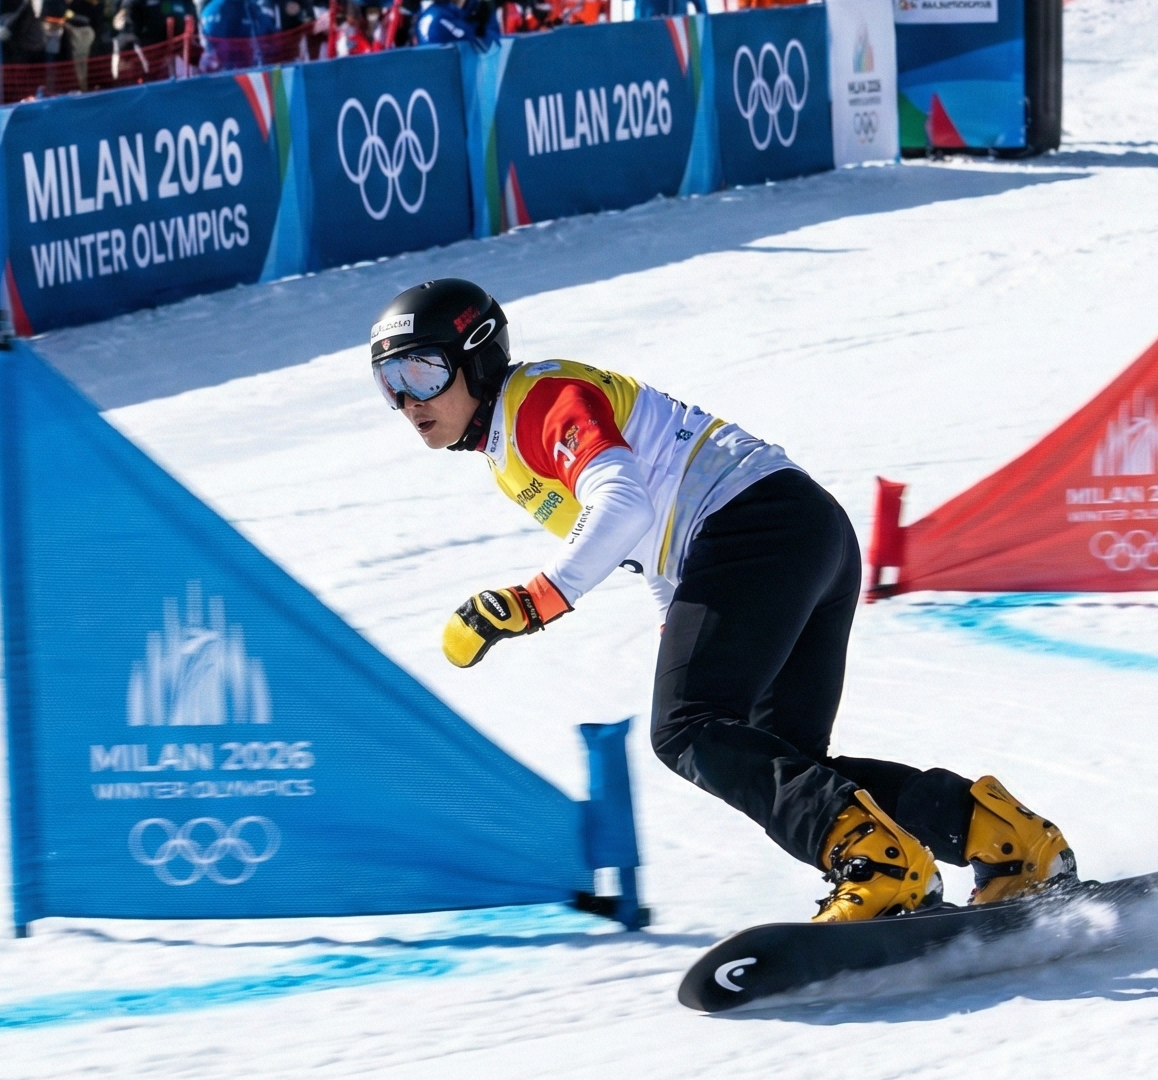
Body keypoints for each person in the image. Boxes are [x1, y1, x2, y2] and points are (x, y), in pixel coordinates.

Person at [366, 280, 1081, 923]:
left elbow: (622, 504)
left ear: (479, 357)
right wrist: (674, 622)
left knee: (684, 728)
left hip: (755, 528)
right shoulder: (507, 438)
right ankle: (1003, 837)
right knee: (785, 759)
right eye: (389, 384)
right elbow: (651, 540)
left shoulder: (538, 403)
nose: (407, 401)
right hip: (793, 529)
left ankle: (883, 867)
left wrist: (534, 599)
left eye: (422, 371)